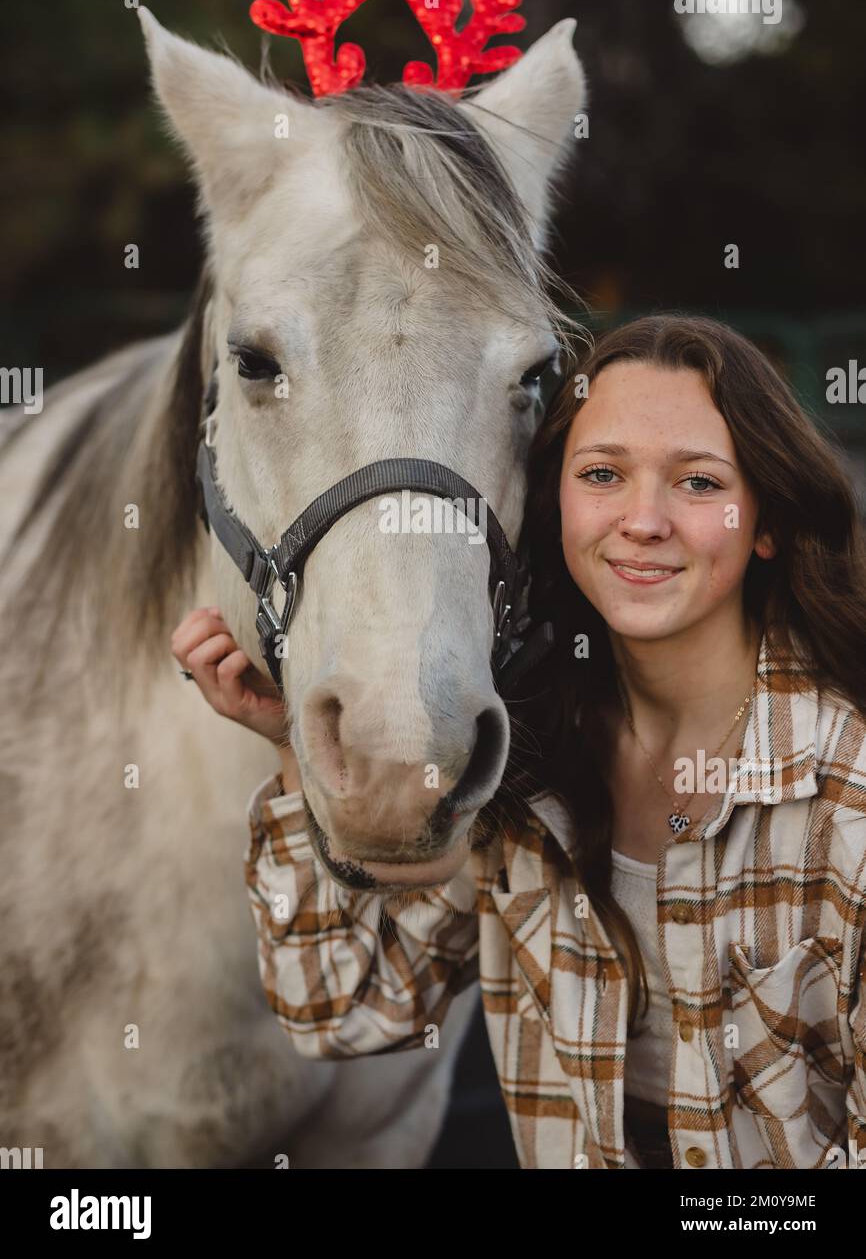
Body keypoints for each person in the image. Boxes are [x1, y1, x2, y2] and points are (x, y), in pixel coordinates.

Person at [173, 314, 866, 1170]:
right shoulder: (522, 763)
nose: (642, 520)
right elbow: (341, 1011)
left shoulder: (848, 798)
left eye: (696, 483)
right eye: (604, 474)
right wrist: (291, 750)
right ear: (554, 503)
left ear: (764, 520)